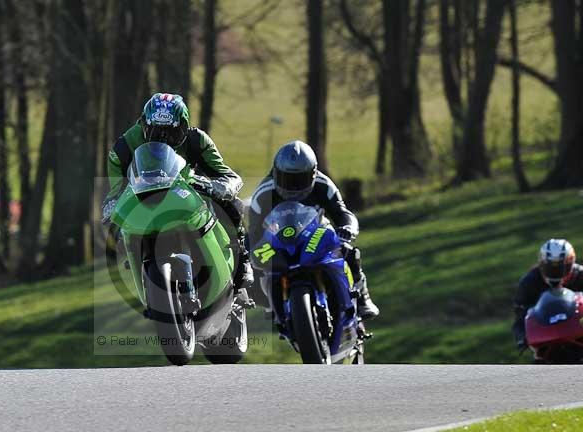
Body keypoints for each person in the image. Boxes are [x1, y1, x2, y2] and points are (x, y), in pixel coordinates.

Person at [102, 92, 253, 289]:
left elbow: (227, 175)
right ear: (144, 126)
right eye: (157, 132)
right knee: (118, 229)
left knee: (233, 204)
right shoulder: (124, 147)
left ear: (184, 127)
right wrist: (111, 204)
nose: (164, 139)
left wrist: (222, 186)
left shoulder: (197, 140)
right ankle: (138, 257)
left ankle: (242, 260)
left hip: (188, 195)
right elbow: (116, 189)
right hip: (145, 200)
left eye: (171, 133)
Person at [247, 140, 379, 320]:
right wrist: (253, 249)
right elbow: (253, 232)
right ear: (276, 174)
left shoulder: (324, 185)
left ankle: (362, 296)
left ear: (313, 174)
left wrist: (347, 228)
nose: (293, 187)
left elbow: (342, 213)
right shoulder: (263, 194)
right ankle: (273, 303)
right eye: (287, 179)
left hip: (317, 233)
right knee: (258, 262)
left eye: (299, 180)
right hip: (280, 240)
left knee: (347, 251)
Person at [512, 238, 583, 350]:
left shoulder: (580, 275)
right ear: (541, 265)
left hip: (577, 332)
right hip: (546, 339)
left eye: (561, 268)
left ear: (572, 263)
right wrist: (523, 337)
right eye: (550, 268)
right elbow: (520, 315)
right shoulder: (529, 282)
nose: (556, 273)